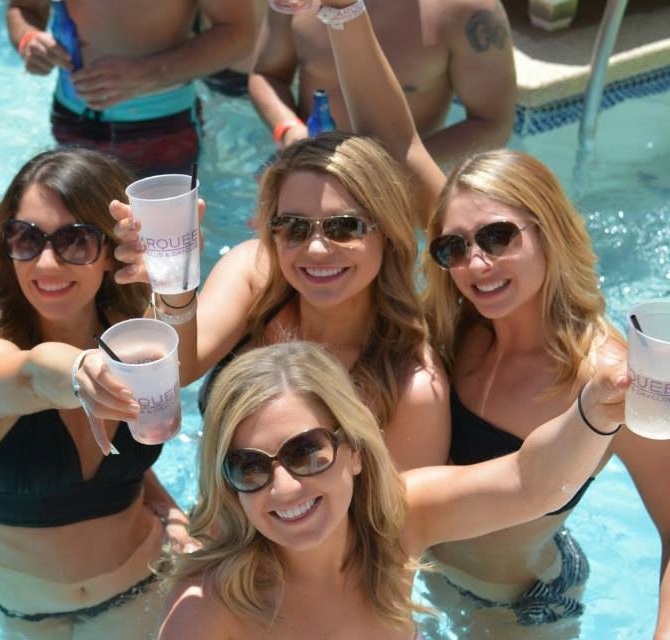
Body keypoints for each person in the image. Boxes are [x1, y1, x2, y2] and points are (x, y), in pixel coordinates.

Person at [320, 2, 670, 636]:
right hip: (423, 570)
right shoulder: (463, 317)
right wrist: (343, 12)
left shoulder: (607, 378)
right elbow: (394, 145)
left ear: (550, 232)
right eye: (452, 248)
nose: (476, 263)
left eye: (499, 237)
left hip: (519, 606)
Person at [157, 341, 627, 639]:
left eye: (306, 452)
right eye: (249, 466)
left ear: (355, 451)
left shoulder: (396, 522)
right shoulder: (209, 610)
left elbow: (529, 483)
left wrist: (596, 410)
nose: (283, 487)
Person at [0, 148, 189, 638]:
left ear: (111, 251)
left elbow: (118, 473)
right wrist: (80, 370)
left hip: (141, 586)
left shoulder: (136, 340)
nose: (47, 262)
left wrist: (171, 511)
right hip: (27, 617)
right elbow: (32, 375)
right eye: (26, 238)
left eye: (75, 241)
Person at [112, 140, 450, 472]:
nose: (316, 249)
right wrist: (174, 282)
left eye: (344, 227)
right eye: (293, 227)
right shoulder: (254, 277)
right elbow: (176, 372)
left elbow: (401, 508)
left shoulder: (413, 384)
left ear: (388, 234)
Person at [249, 0, 516, 167]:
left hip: (400, 185)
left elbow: (492, 124)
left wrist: (393, 169)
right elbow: (266, 75)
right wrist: (289, 130)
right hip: (305, 163)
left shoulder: (469, 9)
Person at [6, 0, 256, 176]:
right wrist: (28, 40)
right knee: (76, 229)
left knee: (162, 233)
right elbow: (23, 7)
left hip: (161, 126)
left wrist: (150, 72)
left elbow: (239, 33)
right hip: (71, 118)